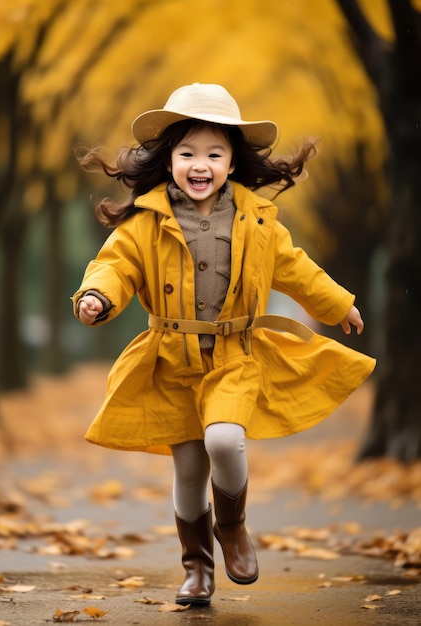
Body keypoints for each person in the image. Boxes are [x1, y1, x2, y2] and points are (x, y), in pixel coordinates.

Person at [72, 83, 375, 606]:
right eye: (187, 153)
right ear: (168, 161)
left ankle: (231, 527)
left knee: (225, 441)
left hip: (234, 355)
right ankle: (197, 568)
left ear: (233, 163)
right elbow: (115, 264)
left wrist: (337, 304)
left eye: (214, 154)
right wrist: (97, 295)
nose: (200, 164)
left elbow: (296, 268)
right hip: (170, 361)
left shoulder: (257, 221)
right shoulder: (144, 221)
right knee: (189, 469)